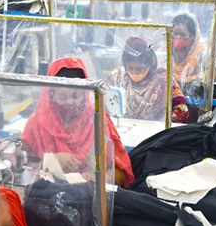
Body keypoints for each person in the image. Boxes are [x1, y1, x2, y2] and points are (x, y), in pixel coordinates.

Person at [22, 57, 135, 188]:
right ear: (51, 93)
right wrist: (52, 160)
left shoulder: (98, 121)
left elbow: (121, 173)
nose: (69, 102)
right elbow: (24, 169)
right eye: (62, 97)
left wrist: (98, 179)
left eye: (75, 96)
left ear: (84, 94)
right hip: (46, 195)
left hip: (90, 198)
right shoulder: (36, 124)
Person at [105, 36, 191, 123]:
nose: (135, 73)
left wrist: (163, 124)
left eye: (140, 69)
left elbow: (182, 109)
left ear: (150, 65)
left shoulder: (163, 81)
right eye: (130, 68)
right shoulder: (117, 77)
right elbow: (102, 104)